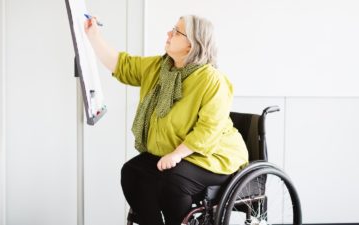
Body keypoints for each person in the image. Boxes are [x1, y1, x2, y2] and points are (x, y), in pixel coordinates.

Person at [84, 15, 248, 225]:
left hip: (213, 156)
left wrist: (178, 154)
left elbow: (209, 129)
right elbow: (122, 65)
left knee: (172, 181)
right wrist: (94, 36)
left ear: (192, 44)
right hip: (174, 153)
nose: (169, 34)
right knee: (132, 172)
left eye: (176, 32)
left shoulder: (211, 79)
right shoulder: (160, 68)